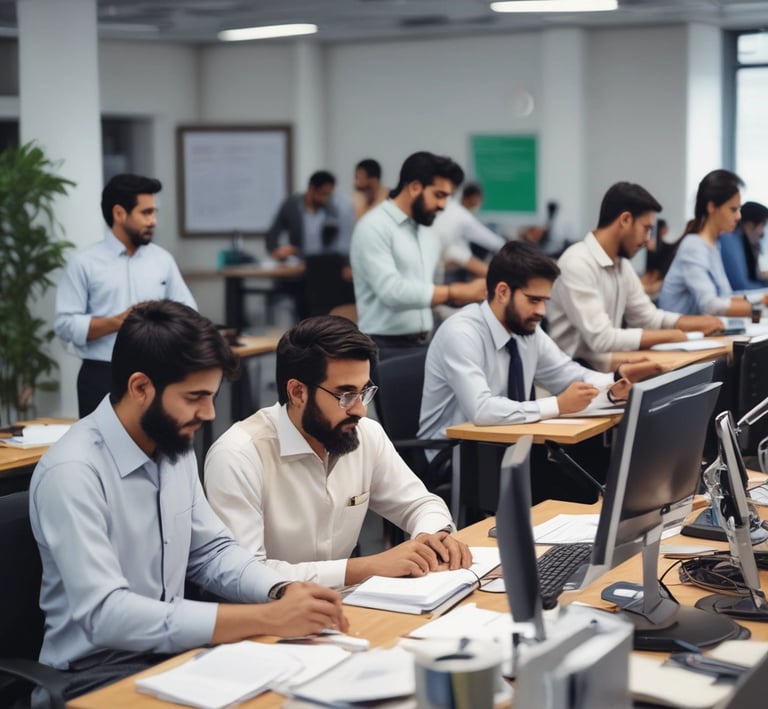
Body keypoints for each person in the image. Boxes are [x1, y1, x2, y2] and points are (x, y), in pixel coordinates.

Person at [30, 300, 348, 700]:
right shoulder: (73, 472)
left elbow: (212, 551)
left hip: (174, 657)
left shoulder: (172, 446)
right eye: (195, 396)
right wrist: (266, 617)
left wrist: (280, 590)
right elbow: (105, 615)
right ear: (141, 387)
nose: (209, 412)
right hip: (92, 675)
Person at [204, 315, 470, 589]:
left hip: (348, 607)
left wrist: (432, 536)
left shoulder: (364, 433)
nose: (360, 410)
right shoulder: (238, 455)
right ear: (297, 392)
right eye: (345, 395)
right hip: (269, 619)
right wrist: (366, 567)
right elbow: (245, 573)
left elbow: (420, 504)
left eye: (364, 392)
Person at [419, 241, 657, 442]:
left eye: (545, 301)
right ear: (502, 292)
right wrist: (558, 405)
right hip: (454, 455)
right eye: (533, 300)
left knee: (582, 469)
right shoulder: (461, 333)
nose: (542, 311)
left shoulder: (525, 329)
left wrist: (616, 379)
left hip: (508, 444)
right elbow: (481, 410)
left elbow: (567, 374)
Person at [54, 174, 197, 418]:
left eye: (154, 213)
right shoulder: (84, 263)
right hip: (101, 376)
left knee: (158, 452)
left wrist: (162, 318)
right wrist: (116, 322)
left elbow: (189, 313)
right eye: (146, 213)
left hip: (157, 374)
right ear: (119, 214)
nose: (153, 221)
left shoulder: (162, 260)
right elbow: (65, 324)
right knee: (99, 453)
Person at [547, 182, 724, 371]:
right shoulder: (577, 263)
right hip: (573, 381)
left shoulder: (621, 265)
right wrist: (676, 335)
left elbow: (647, 317)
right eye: (646, 228)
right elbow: (602, 339)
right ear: (625, 220)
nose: (648, 239)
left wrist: (695, 323)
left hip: (603, 372)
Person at [350, 151, 487, 360]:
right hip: (384, 346)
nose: (443, 205)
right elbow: (392, 291)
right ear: (415, 187)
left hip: (425, 342)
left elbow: (435, 279)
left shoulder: (426, 229)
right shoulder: (373, 226)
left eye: (447, 197)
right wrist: (455, 292)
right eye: (439, 195)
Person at [659, 171, 768, 316]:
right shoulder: (694, 246)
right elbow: (710, 306)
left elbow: (725, 297)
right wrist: (760, 310)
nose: (739, 216)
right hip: (682, 335)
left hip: (702, 333)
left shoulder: (714, 245)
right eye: (733, 209)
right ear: (711, 207)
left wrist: (762, 299)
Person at [265, 170, 344, 260]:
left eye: (329, 195)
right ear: (311, 189)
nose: (325, 199)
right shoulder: (292, 206)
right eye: (323, 194)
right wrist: (276, 251)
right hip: (298, 262)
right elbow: (273, 232)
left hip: (323, 262)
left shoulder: (331, 210)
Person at [432, 182, 505, 279]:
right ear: (474, 197)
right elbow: (493, 242)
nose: (480, 202)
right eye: (480, 199)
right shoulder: (462, 216)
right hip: (438, 262)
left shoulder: (450, 207)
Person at [718, 200, 768, 291]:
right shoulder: (730, 241)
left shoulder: (743, 243)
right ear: (749, 225)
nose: (762, 233)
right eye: (762, 225)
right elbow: (741, 286)